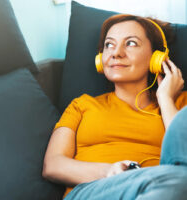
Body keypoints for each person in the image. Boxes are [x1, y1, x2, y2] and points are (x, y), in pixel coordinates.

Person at [42, 14, 187, 199]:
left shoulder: (180, 105)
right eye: (109, 44)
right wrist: (109, 170)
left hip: (165, 187)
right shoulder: (82, 105)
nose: (116, 53)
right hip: (93, 190)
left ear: (157, 57)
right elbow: (53, 165)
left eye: (131, 43)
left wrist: (165, 99)